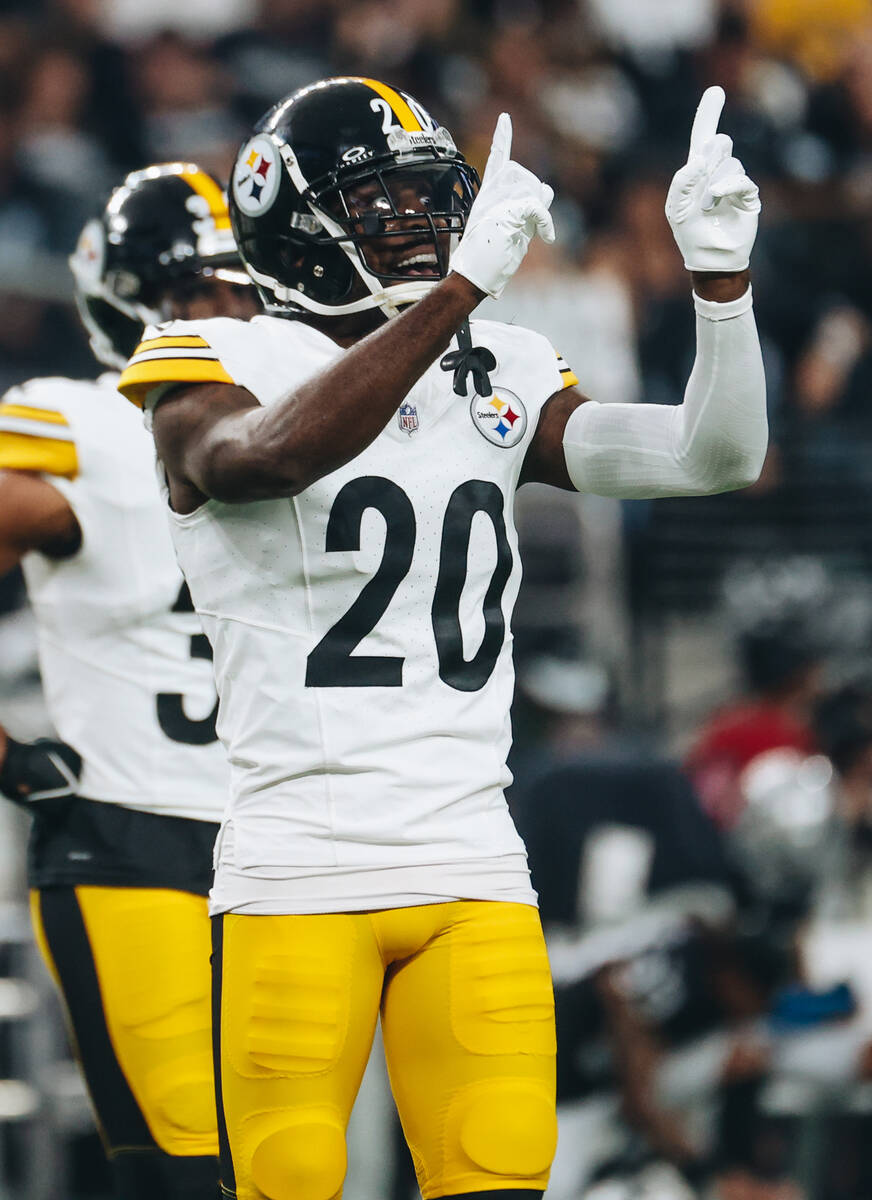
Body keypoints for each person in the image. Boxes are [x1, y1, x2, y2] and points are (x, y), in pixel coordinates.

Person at [117, 78, 767, 1200]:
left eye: (430, 199)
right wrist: (458, 290)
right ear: (295, 227)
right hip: (296, 867)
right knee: (290, 1181)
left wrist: (720, 286)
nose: (419, 225)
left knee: (500, 1174)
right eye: (382, 203)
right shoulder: (209, 359)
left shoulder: (498, 362)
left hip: (471, 859)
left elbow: (707, 459)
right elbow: (262, 459)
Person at [0, 162, 258, 1200]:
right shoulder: (91, 426)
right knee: (186, 1177)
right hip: (132, 834)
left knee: (282, 1169)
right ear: (131, 304)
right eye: (203, 291)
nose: (234, 313)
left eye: (246, 287)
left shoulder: (306, 434)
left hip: (288, 848)